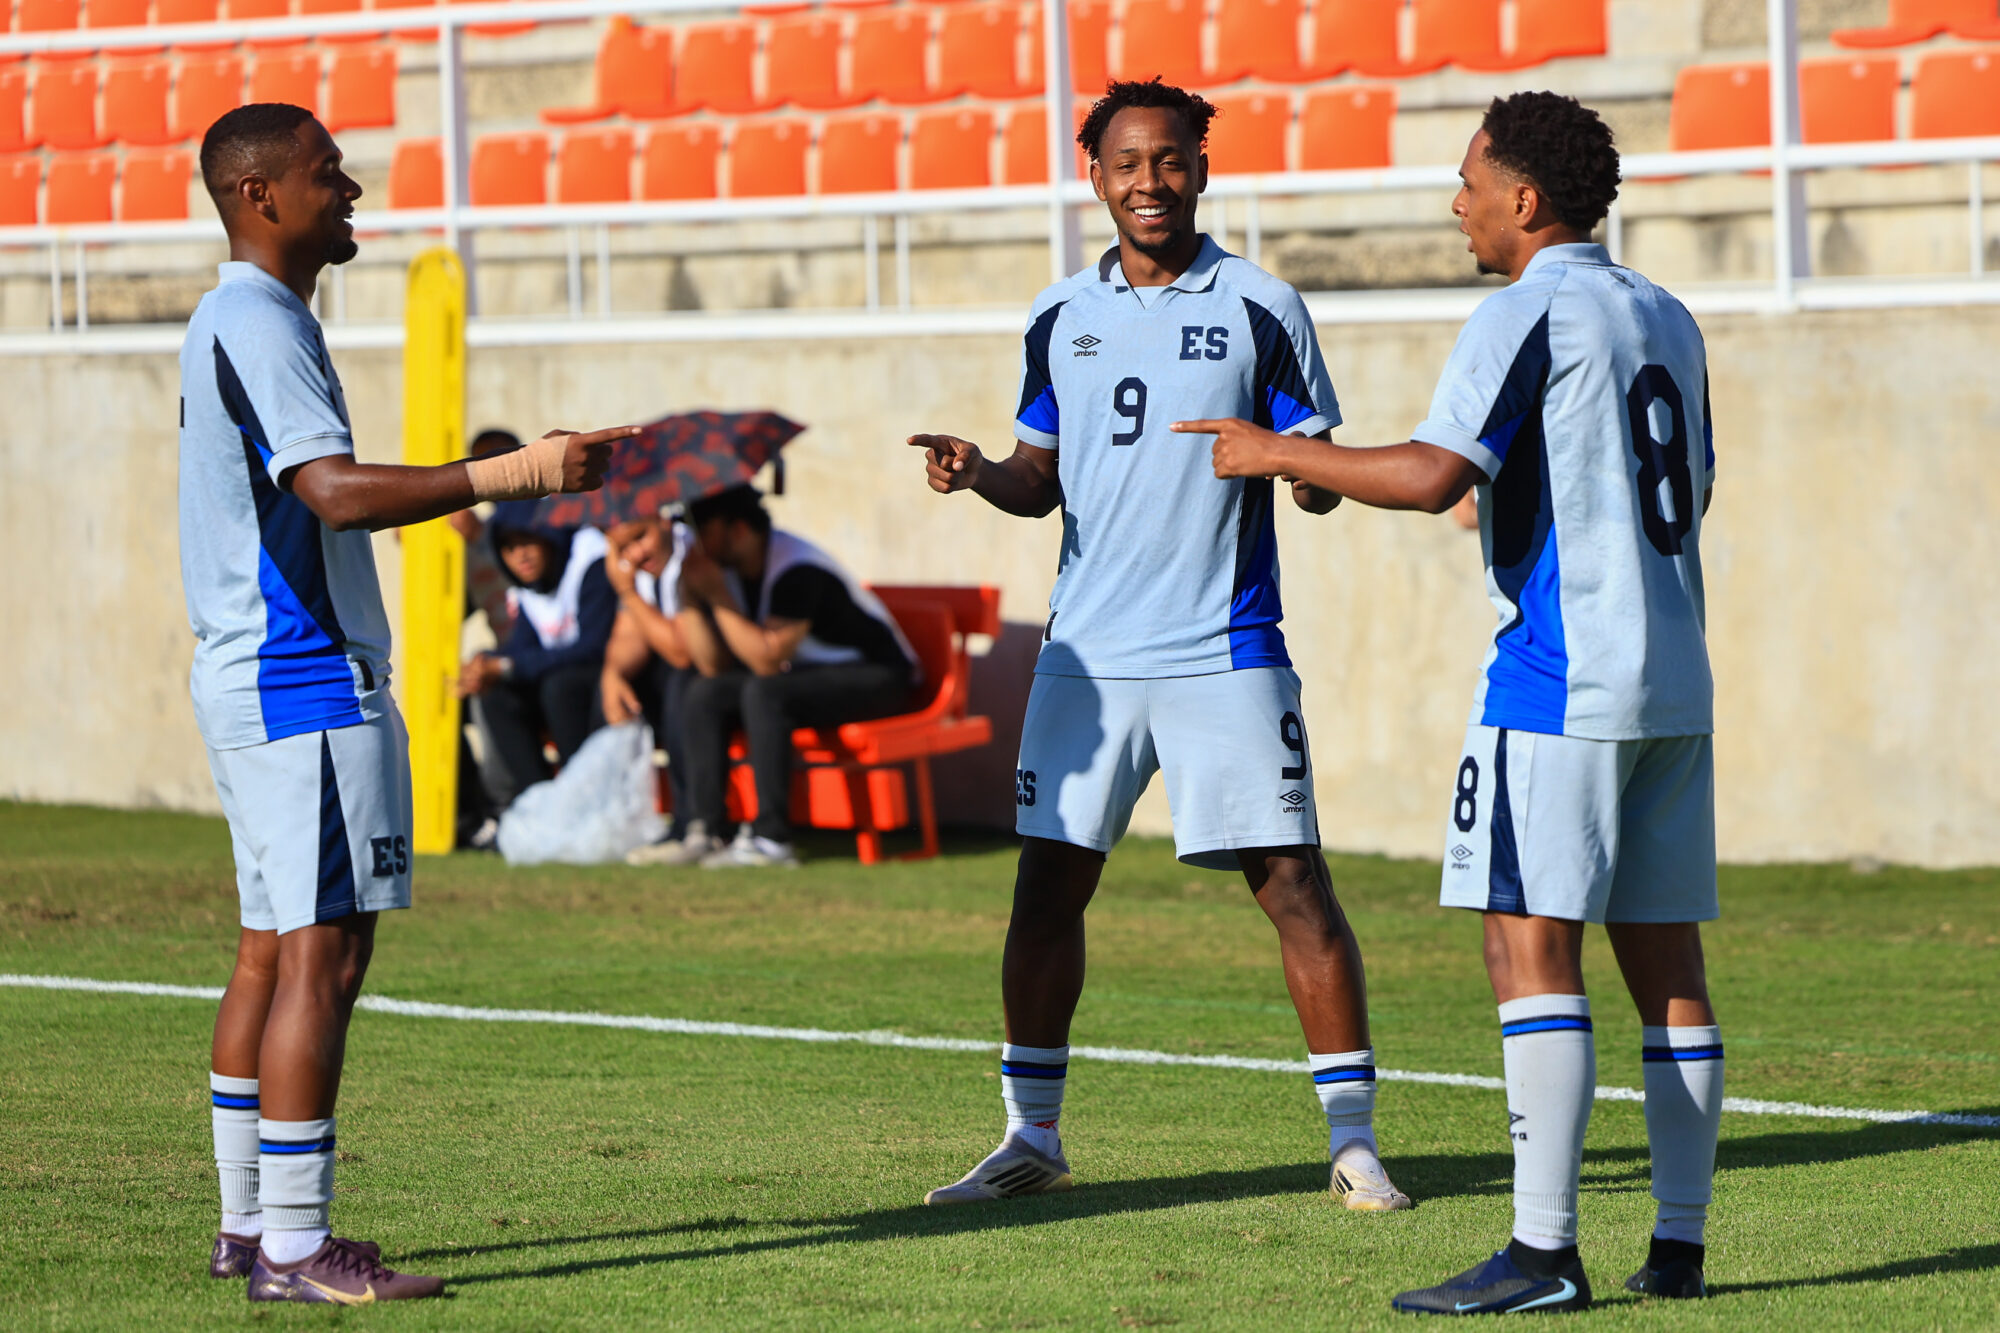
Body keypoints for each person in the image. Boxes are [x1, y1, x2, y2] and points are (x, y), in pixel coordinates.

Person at [1187, 92, 1721, 1314]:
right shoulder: (1663, 312)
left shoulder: (1521, 309)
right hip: (1673, 675)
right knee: (1666, 962)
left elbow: (1431, 475)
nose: (1455, 204)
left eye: (1469, 184)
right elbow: (1676, 484)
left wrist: (1274, 451)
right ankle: (1678, 1249)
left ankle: (1540, 1255)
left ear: (1522, 200)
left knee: (1524, 943)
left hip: (1557, 678)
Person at [907, 79, 1411, 1214]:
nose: (1151, 182)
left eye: (1170, 159)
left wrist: (1288, 462)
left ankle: (1353, 1141)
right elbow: (1040, 480)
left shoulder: (1262, 306)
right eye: (1128, 163)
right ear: (1094, 176)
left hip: (1224, 648)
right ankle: (1029, 1136)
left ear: (1201, 169)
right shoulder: (1058, 315)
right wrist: (979, 471)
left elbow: (1319, 475)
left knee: (1293, 884)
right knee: (1046, 889)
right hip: (1086, 658)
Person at [180, 101, 632, 1304]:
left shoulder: (236, 317)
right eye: (327, 172)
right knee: (322, 957)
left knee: (271, 952)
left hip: (255, 675)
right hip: (302, 681)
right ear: (259, 196)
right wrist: (516, 471)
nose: (351, 190)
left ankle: (246, 1227)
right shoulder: (260, 320)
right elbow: (331, 492)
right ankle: (294, 1248)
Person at [672, 484, 919, 868]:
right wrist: (690, 597)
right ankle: (707, 830)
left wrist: (717, 596)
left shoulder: (798, 567)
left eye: (703, 530)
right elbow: (712, 666)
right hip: (810, 674)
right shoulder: (728, 569)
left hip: (879, 675)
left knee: (764, 693)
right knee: (705, 693)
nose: (697, 543)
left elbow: (767, 661)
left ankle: (771, 840)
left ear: (739, 530)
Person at [457, 503, 616, 810]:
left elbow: (593, 647)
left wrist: (507, 665)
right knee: (494, 694)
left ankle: (582, 800)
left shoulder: (589, 557)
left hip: (608, 680)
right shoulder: (528, 585)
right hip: (564, 682)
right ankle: (539, 804)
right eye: (509, 548)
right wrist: (485, 663)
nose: (521, 556)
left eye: (527, 541)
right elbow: (523, 647)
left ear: (548, 536)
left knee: (560, 686)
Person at [598, 514, 705, 860]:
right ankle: (609, 819)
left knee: (682, 686)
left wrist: (627, 592)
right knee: (610, 686)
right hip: (691, 674)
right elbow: (627, 636)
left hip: (738, 673)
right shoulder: (643, 572)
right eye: (623, 548)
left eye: (640, 536)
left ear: (663, 520)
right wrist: (613, 675)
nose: (636, 554)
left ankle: (694, 825)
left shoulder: (693, 555)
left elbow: (681, 653)